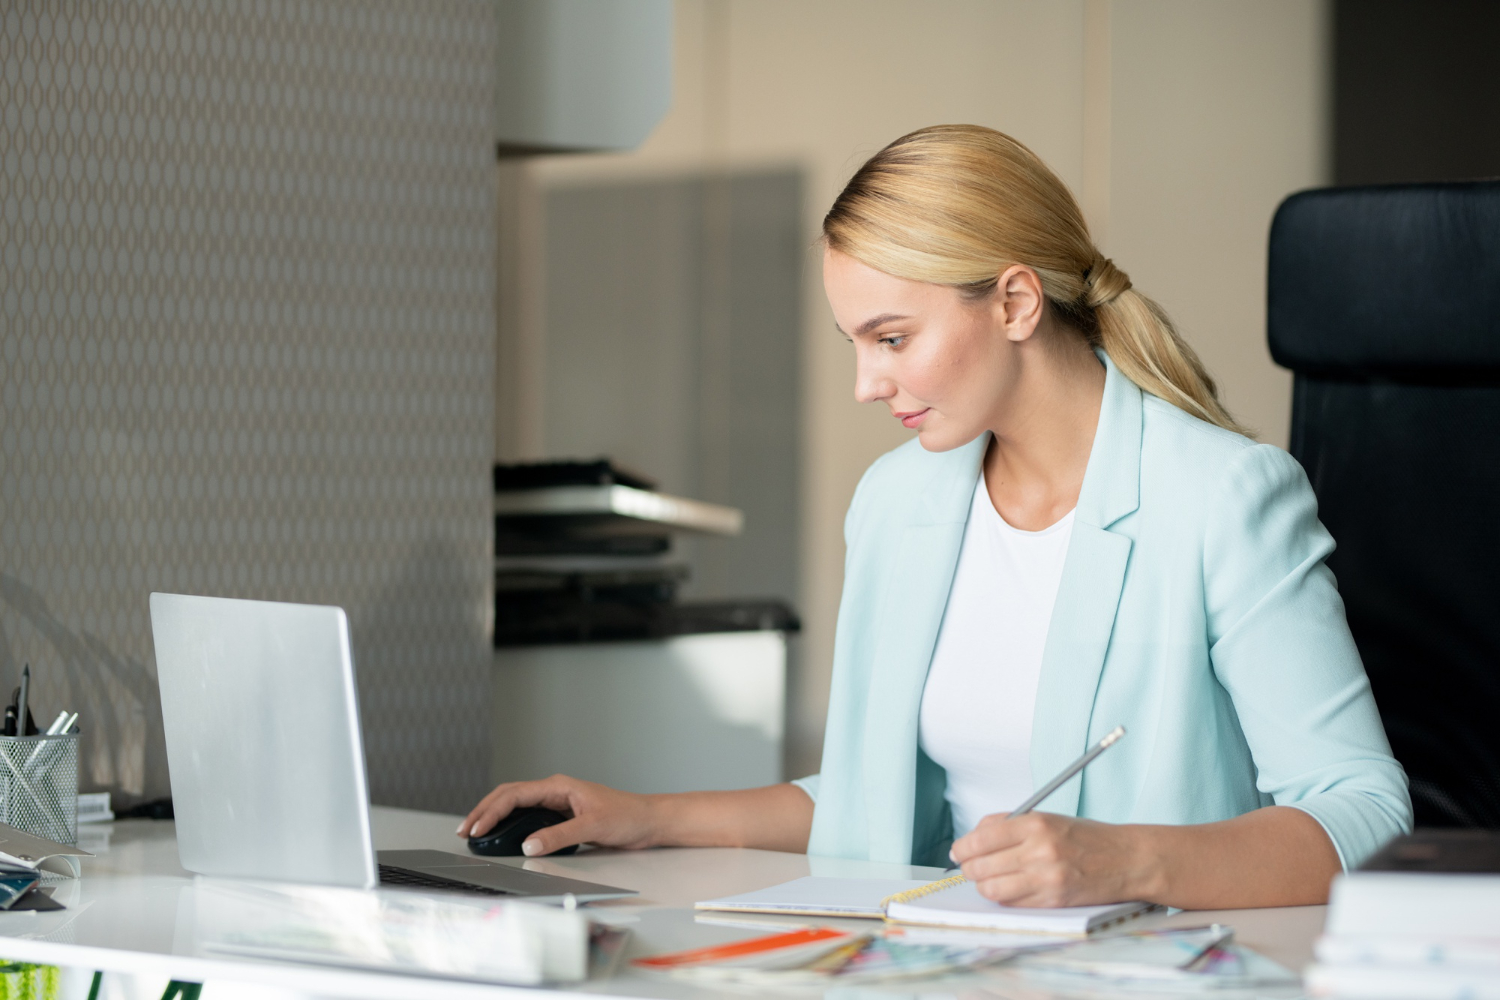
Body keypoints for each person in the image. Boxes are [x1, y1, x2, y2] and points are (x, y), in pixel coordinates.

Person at [459, 125, 1411, 909]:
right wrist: (644, 816)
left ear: (1014, 302)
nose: (868, 385)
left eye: (893, 339)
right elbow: (875, 799)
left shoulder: (1222, 497)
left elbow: (1364, 811)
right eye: (856, 344)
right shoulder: (898, 502)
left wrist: (1122, 862)